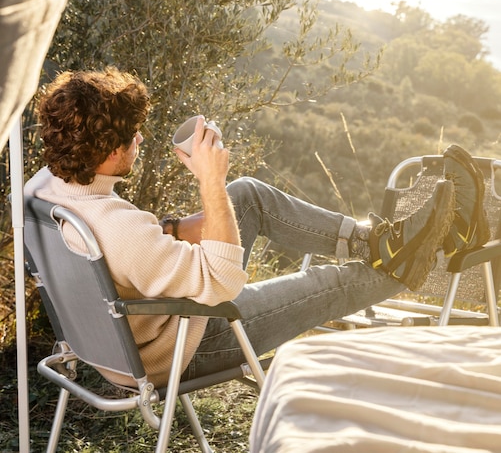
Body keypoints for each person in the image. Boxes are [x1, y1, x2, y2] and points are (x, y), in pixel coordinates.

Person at [25, 67, 488, 388]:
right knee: (325, 282)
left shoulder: (41, 190)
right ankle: (426, 249)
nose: (141, 138)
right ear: (108, 152)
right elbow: (223, 283)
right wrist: (210, 181)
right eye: (133, 135)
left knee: (246, 195)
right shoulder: (117, 227)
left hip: (123, 341)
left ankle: (378, 241)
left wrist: (174, 225)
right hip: (187, 345)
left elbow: (130, 251)